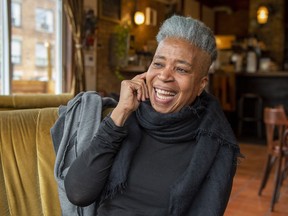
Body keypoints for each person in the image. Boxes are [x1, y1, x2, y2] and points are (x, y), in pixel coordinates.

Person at [60, 15, 241, 216]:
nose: (164, 75)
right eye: (158, 64)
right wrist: (120, 113)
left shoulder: (215, 143)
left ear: (201, 85)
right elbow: (78, 194)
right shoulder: (124, 118)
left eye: (181, 69)